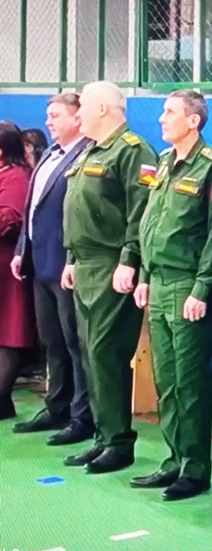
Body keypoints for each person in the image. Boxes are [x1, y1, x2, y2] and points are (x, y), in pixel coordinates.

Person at [131, 90, 212, 501]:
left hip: (187, 284)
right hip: (158, 282)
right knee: (167, 381)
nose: (162, 118)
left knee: (190, 382)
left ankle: (195, 469)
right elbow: (149, 219)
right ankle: (174, 459)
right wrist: (143, 273)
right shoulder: (161, 162)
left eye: (170, 112)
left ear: (194, 120)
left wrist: (202, 287)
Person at [61, 81, 157, 474]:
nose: (78, 113)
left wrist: (129, 259)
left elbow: (142, 210)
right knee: (89, 354)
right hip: (85, 265)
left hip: (111, 265)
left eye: (83, 105)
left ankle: (118, 441)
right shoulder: (90, 151)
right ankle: (103, 437)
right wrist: (71, 257)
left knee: (107, 354)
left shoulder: (133, 150)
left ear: (103, 108)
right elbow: (77, 210)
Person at [11, 94, 95, 445]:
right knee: (52, 342)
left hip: (66, 264)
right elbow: (32, 208)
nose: (48, 122)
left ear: (77, 119)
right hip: (40, 263)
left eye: (55, 115)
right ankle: (56, 405)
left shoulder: (88, 155)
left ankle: (82, 415)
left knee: (75, 342)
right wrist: (22, 250)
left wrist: (72, 260)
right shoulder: (49, 154)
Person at [0, 124, 35, 420]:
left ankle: (1, 399)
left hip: (8, 267)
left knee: (9, 331)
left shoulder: (16, 176)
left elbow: (10, 217)